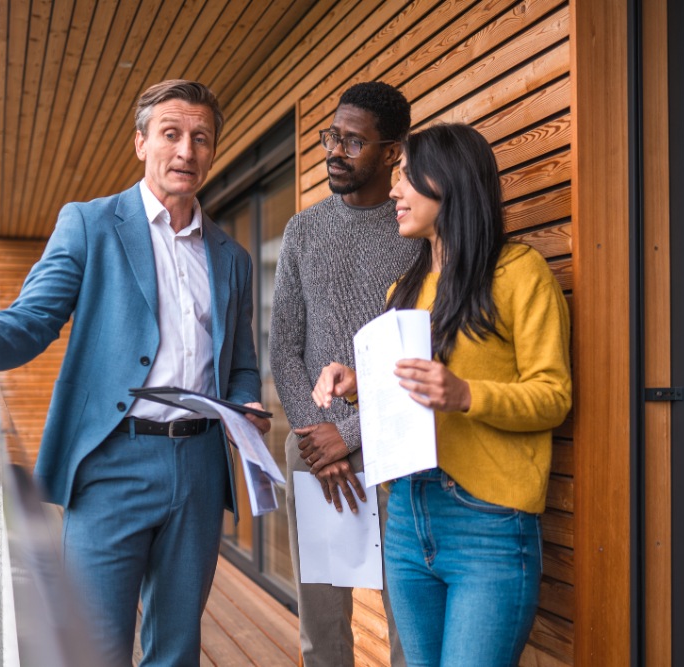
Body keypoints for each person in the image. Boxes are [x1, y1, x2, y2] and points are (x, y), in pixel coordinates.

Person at [0, 80, 269, 666]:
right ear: (141, 143)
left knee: (178, 649)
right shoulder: (90, 223)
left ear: (212, 151)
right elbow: (34, 319)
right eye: (171, 134)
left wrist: (246, 404)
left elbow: (239, 364)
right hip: (112, 465)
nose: (186, 150)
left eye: (201, 138)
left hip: (200, 469)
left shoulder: (231, 256)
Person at [311, 123, 572, 666]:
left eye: (406, 177)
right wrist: (361, 386)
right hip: (408, 515)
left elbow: (554, 396)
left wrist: (466, 395)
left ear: (448, 182)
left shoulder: (519, 274)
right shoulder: (401, 290)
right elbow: (404, 403)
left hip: (488, 523)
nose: (393, 191)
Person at [270, 81, 418, 666]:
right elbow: (284, 348)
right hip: (312, 452)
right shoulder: (303, 230)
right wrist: (316, 438)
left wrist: (351, 436)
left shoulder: (416, 230)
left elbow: (424, 357)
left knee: (407, 621)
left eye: (353, 142)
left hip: (397, 452)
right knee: (322, 629)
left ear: (391, 153)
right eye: (333, 136)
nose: (335, 150)